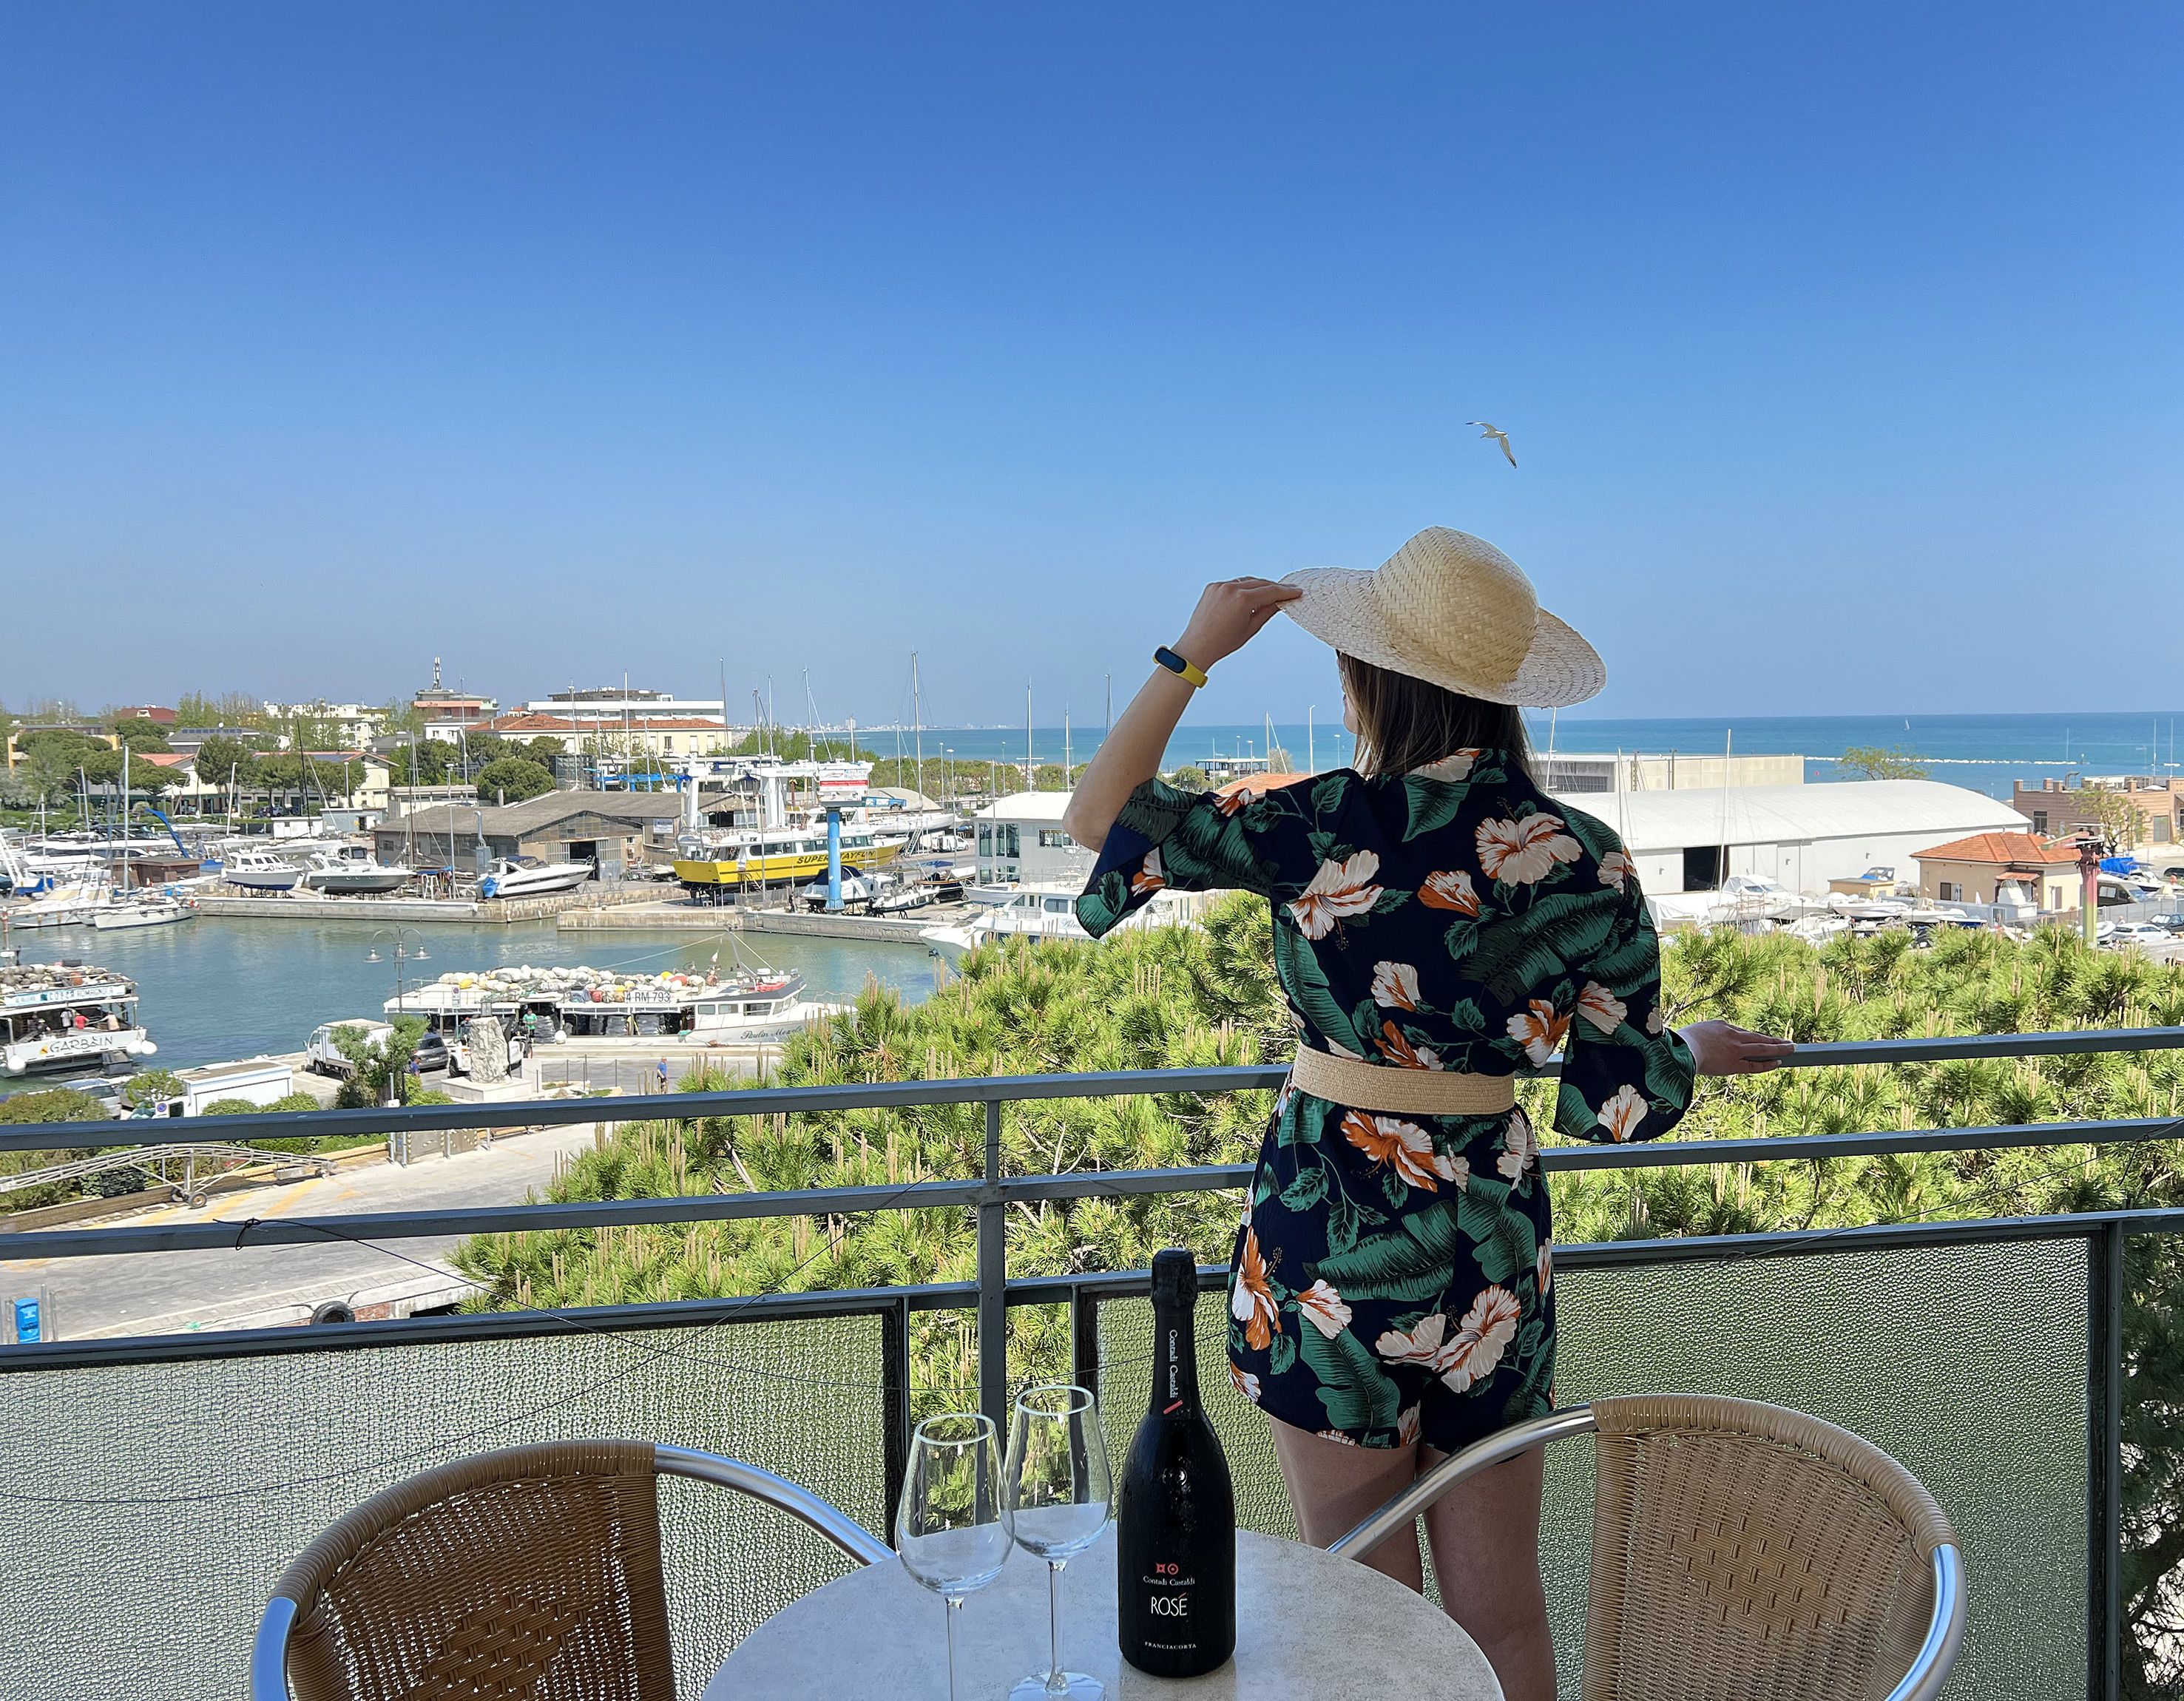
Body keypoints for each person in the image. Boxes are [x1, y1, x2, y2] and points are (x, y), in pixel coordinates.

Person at [1063, 527, 1792, 1701]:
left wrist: (1189, 655)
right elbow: (1617, 1098)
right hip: (1491, 1236)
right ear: (1502, 691)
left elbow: (1097, 815)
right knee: (1501, 1606)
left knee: (1365, 1604)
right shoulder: (1585, 857)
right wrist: (1691, 1052)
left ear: (1366, 677)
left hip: (1332, 1222)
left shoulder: (1318, 823)